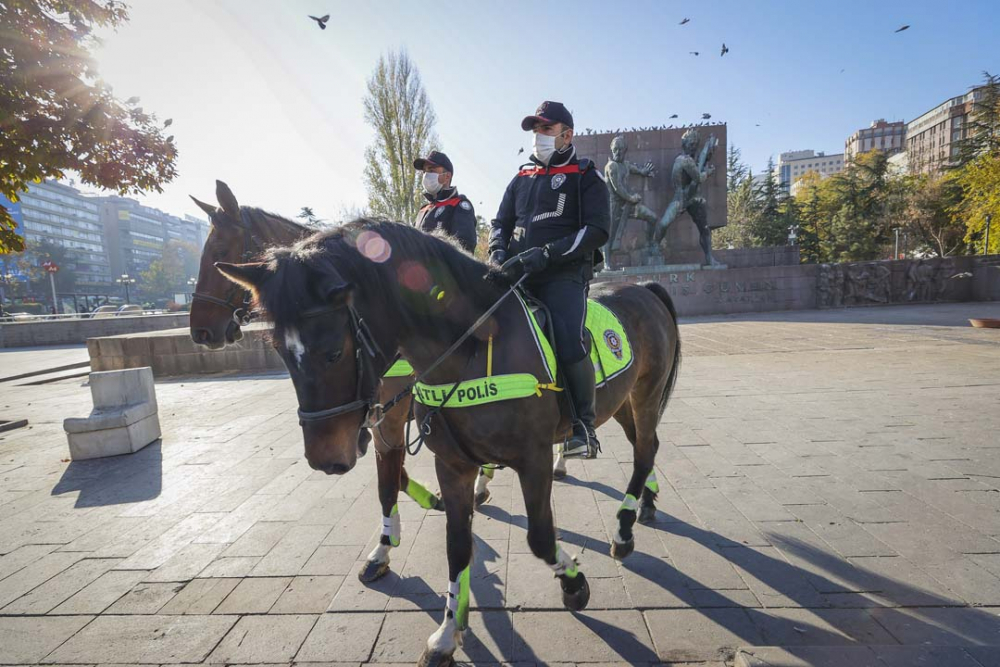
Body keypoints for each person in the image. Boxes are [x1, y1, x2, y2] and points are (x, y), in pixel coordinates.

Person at [488, 101, 610, 459]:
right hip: (516, 274)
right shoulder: (521, 177)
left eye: (545, 129)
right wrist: (496, 252)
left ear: (567, 134)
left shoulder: (586, 174)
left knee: (567, 339)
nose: (538, 136)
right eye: (535, 130)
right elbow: (500, 223)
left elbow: (597, 230)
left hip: (563, 276)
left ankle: (583, 427)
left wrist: (548, 253)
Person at [413, 151, 477, 253]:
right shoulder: (423, 210)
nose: (426, 175)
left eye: (431, 170)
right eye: (424, 171)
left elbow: (464, 250)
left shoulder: (459, 205)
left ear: (447, 176)